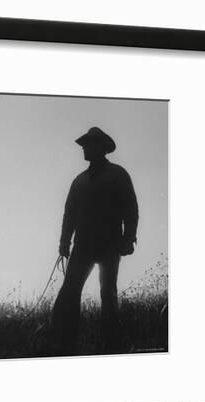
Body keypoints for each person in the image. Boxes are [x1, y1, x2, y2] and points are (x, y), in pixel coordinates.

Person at [50, 127, 139, 354]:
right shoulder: (78, 181)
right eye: (84, 145)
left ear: (100, 147)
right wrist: (64, 243)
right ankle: (63, 345)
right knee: (69, 294)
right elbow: (69, 214)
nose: (84, 148)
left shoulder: (118, 175)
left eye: (88, 145)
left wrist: (128, 239)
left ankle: (112, 345)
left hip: (110, 245)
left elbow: (131, 210)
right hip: (82, 247)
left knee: (108, 295)